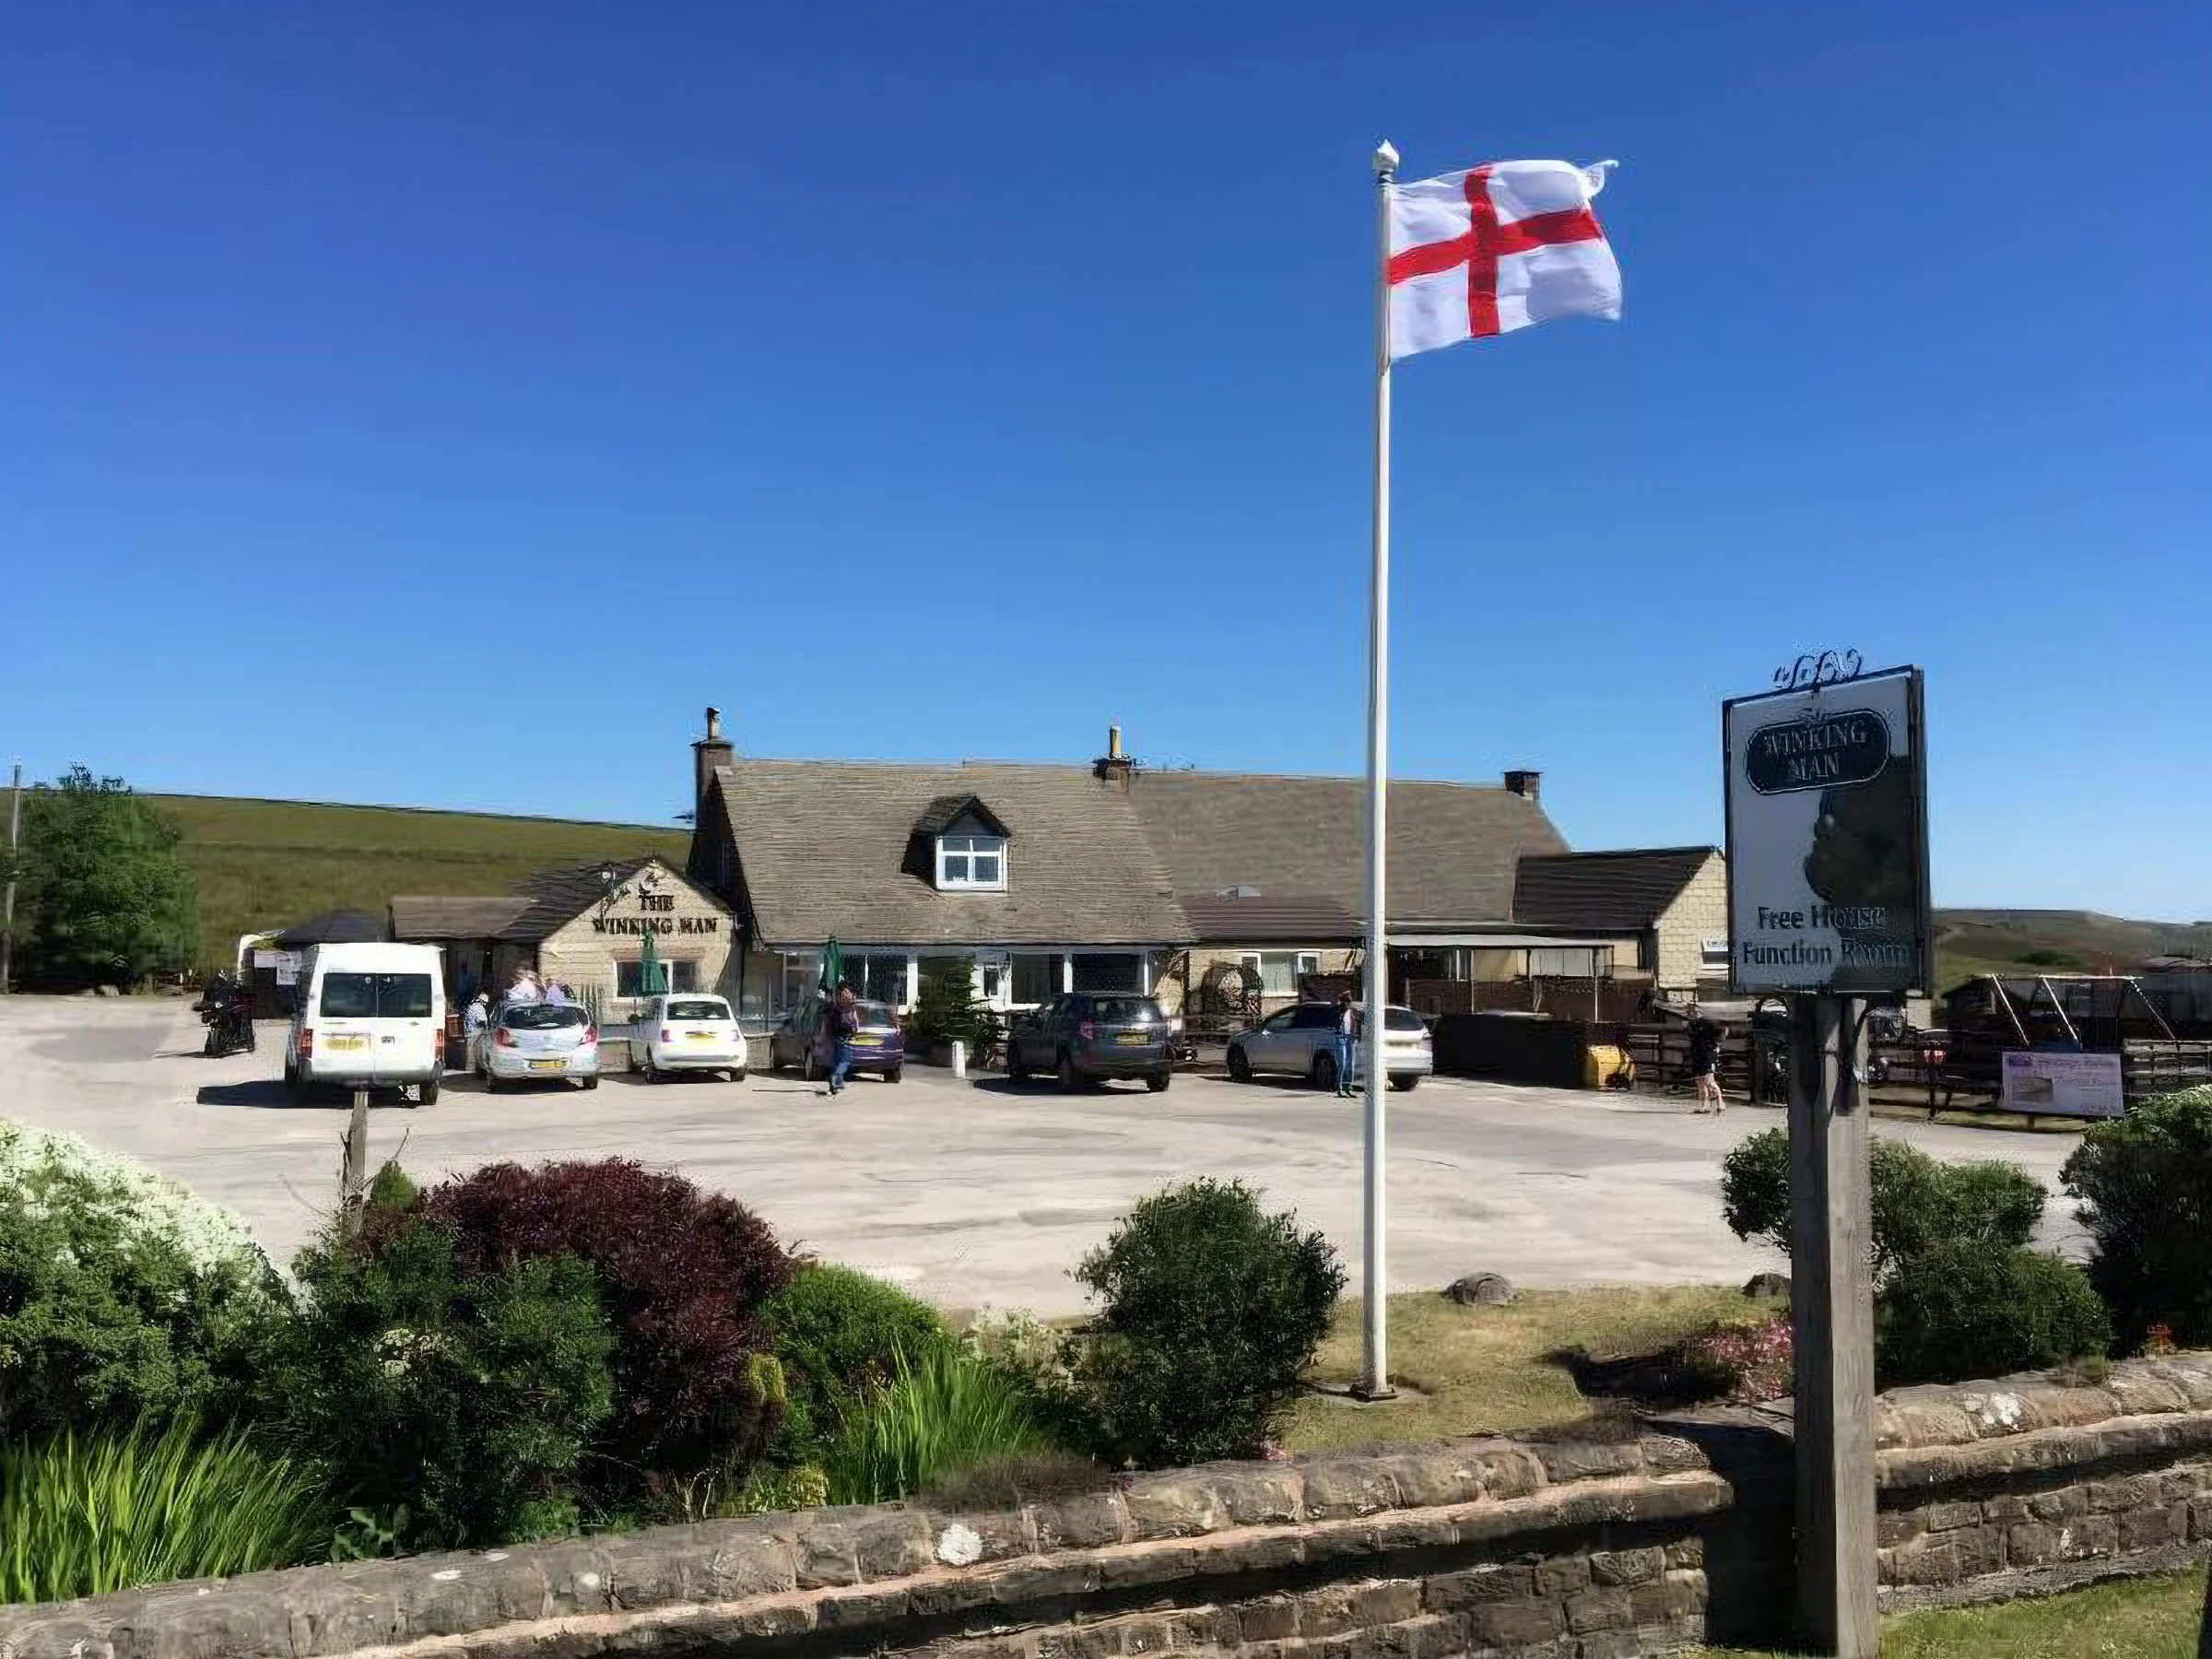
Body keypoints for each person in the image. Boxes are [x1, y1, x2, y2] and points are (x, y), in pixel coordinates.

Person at [1687, 1003, 1725, 1114]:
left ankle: (1719, 1102)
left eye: (1688, 1011)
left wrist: (1716, 1048)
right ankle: (1706, 1104)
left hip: (1706, 1054)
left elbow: (1720, 1032)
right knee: (1700, 1081)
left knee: (1708, 1081)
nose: (1687, 1013)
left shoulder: (1705, 1023)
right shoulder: (1693, 1023)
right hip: (1698, 1054)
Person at [826, 984, 859, 1096]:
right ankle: (835, 1078)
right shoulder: (850, 1007)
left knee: (837, 1060)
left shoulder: (836, 1007)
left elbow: (830, 1022)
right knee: (845, 1060)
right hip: (845, 1036)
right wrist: (855, 1033)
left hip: (835, 1036)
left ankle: (837, 1084)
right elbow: (855, 1022)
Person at [1333, 992, 1361, 1098]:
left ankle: (1348, 1087)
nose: (1347, 1004)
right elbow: (1333, 1022)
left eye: (1348, 1002)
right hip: (1340, 1038)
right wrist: (1340, 1011)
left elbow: (1357, 1024)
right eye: (1345, 1002)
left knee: (1350, 1064)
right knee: (1342, 1064)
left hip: (1350, 1038)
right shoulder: (1337, 1011)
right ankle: (1339, 1088)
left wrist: (1357, 1036)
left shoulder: (1353, 1012)